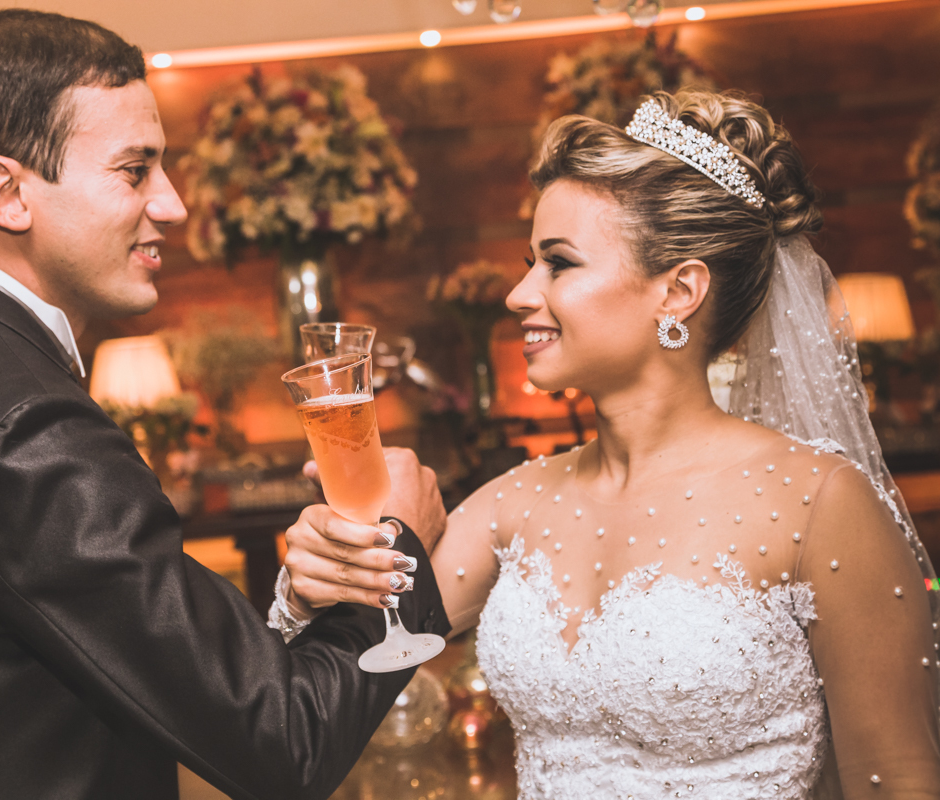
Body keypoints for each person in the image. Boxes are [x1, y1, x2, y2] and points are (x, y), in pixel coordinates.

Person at [0, 10, 450, 800]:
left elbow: (89, 636)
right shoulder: (19, 421)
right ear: (5, 192)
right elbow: (283, 742)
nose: (171, 204)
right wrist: (401, 553)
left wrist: (294, 605)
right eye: (134, 170)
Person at [277, 90, 940, 798]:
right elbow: (324, 690)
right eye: (529, 261)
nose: (520, 293)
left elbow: (895, 778)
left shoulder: (819, 503)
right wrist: (315, 582)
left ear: (678, 291)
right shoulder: (511, 504)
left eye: (558, 263)